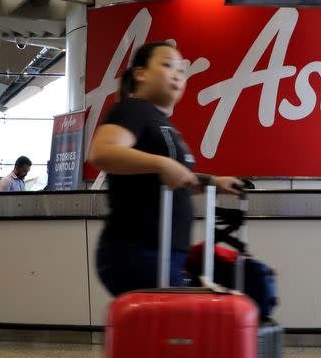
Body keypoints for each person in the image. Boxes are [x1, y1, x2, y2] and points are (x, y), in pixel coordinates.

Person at [88, 41, 241, 295]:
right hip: (140, 249)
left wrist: (213, 182)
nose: (177, 75)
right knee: (163, 331)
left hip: (162, 251)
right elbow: (102, 152)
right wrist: (163, 163)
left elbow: (169, 180)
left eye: (181, 71)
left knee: (160, 332)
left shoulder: (159, 120)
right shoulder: (132, 110)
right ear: (141, 73)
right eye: (167, 65)